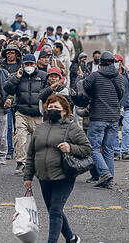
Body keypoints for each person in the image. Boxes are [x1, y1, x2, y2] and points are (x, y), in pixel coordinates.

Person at [23, 94, 89, 243]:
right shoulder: (40, 128)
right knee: (54, 211)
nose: (52, 109)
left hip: (64, 177)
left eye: (56, 107)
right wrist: (28, 177)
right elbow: (31, 154)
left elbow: (87, 149)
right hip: (44, 177)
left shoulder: (72, 128)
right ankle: (71, 238)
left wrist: (70, 147)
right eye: (50, 107)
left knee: (55, 210)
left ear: (65, 111)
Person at [82, 51, 123, 188]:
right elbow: (121, 95)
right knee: (108, 150)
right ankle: (109, 181)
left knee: (92, 148)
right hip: (114, 118)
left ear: (101, 63)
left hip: (98, 117)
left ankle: (104, 173)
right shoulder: (119, 77)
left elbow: (84, 89)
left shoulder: (95, 76)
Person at [4, 53, 48, 174]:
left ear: (35, 64)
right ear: (23, 65)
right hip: (21, 112)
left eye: (31, 64)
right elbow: (7, 89)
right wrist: (16, 78)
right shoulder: (17, 76)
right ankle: (20, 162)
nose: (29, 66)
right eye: (26, 64)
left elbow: (48, 91)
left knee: (39, 141)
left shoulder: (43, 76)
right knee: (20, 138)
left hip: (37, 114)